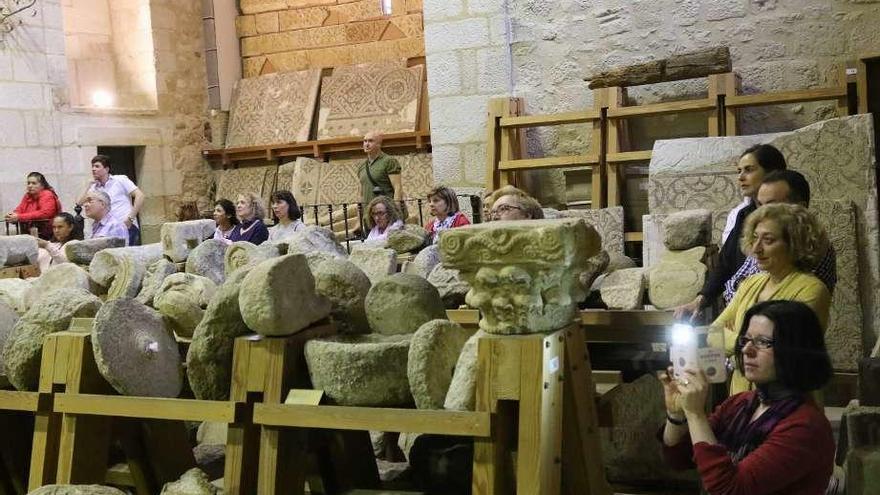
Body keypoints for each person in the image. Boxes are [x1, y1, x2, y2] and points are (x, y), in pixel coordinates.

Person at [660, 300, 834, 495]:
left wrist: (695, 414)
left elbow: (729, 490)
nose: (746, 350)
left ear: (795, 349)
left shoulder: (805, 427)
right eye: (746, 340)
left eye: (762, 342)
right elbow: (680, 457)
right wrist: (676, 415)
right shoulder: (740, 403)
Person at [708, 203, 831, 395]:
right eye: (755, 238)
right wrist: (757, 343)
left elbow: (783, 349)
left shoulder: (812, 289)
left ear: (794, 244)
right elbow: (713, 334)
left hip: (787, 400)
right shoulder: (751, 283)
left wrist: (734, 343)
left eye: (768, 240)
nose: (756, 248)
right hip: (741, 396)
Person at [673, 144, 787, 321]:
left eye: (749, 170)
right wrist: (701, 300)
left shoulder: (790, 226)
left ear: (771, 172)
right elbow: (726, 263)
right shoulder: (744, 215)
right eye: (739, 171)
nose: (741, 177)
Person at [723, 170, 837, 303]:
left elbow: (779, 303)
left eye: (771, 206)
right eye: (759, 205)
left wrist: (744, 293)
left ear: (799, 208)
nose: (761, 214)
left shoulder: (811, 245)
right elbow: (731, 286)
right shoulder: (761, 239)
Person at [77, 155, 145, 246]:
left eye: (97, 166)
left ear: (106, 169)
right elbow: (79, 203)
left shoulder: (120, 180)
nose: (93, 169)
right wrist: (88, 185)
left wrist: (130, 218)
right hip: (107, 229)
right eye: (92, 166)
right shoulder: (94, 187)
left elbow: (140, 195)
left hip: (126, 225)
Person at [5, 172, 62, 239]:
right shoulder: (27, 196)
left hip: (47, 235)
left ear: (42, 185)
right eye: (28, 183)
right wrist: (12, 216)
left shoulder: (47, 194)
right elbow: (20, 209)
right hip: (31, 233)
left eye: (34, 183)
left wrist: (19, 217)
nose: (30, 185)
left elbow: (45, 213)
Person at [359, 131, 402, 207]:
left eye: (370, 141)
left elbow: (397, 187)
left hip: (386, 211)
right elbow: (361, 193)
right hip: (368, 213)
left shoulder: (389, 161)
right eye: (365, 141)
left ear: (379, 144)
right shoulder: (362, 166)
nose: (367, 144)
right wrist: (360, 213)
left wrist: (396, 209)